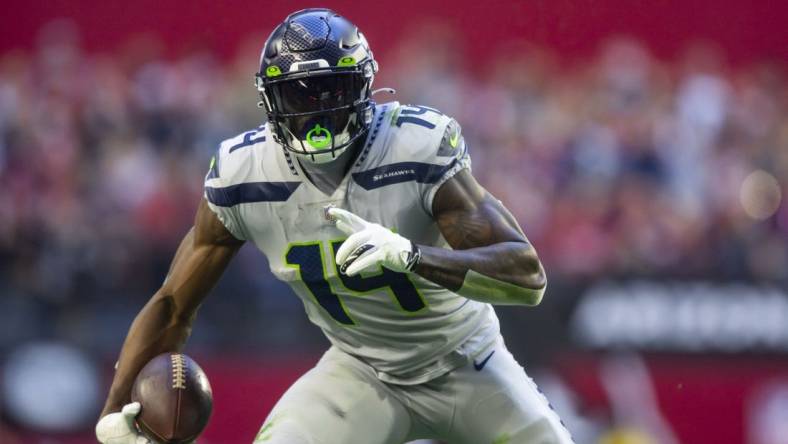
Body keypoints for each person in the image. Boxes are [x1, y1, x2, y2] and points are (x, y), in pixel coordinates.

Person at [95, 8, 573, 444]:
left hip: (467, 359)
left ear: (362, 89)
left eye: (331, 91)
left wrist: (412, 256)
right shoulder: (245, 172)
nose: (315, 114)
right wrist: (115, 410)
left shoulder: (413, 147)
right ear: (269, 99)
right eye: (297, 96)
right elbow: (174, 304)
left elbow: (526, 277)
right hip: (360, 371)